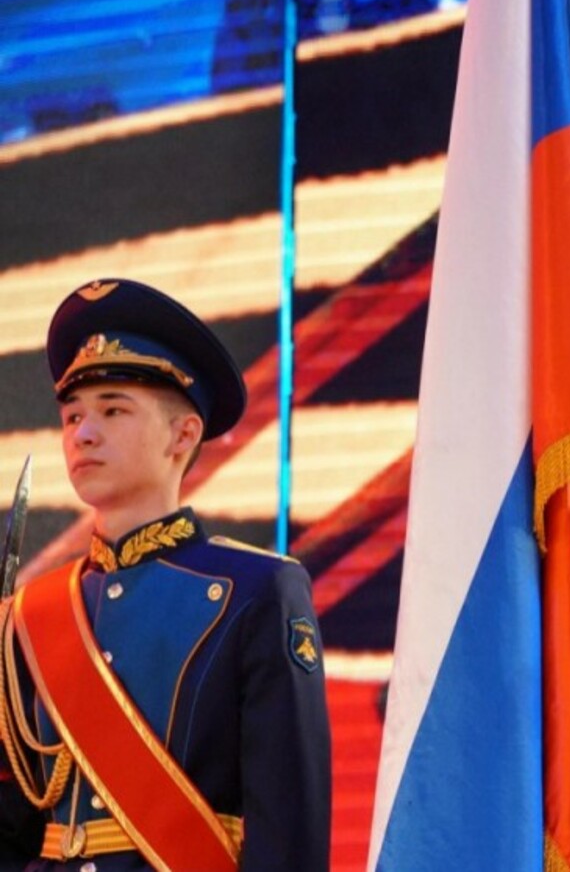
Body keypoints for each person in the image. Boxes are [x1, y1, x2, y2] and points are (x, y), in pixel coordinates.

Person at [0, 279, 332, 871]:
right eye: (72, 415)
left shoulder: (257, 592)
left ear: (184, 434)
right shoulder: (31, 615)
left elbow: (289, 834)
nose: (83, 433)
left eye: (113, 410)